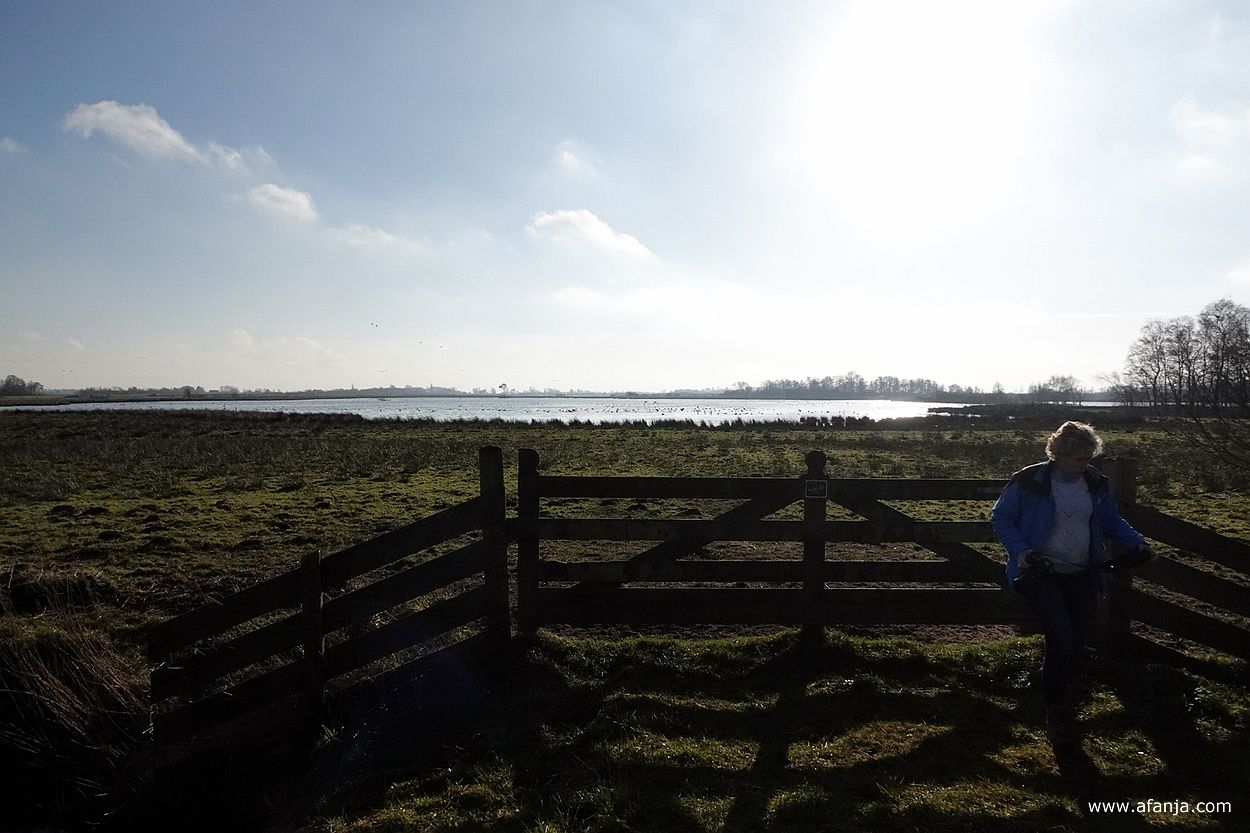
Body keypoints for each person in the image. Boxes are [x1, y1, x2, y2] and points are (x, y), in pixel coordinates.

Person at [991, 421, 1155, 747]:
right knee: (1061, 635)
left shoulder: (1094, 483)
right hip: (1037, 572)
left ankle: (1058, 688)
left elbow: (1109, 519)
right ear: (1057, 454)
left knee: (1077, 637)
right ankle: (1057, 709)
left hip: (1082, 570)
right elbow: (1001, 517)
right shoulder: (1029, 481)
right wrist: (1024, 552)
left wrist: (1137, 542)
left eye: (1087, 458)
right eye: (1076, 459)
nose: (1083, 465)